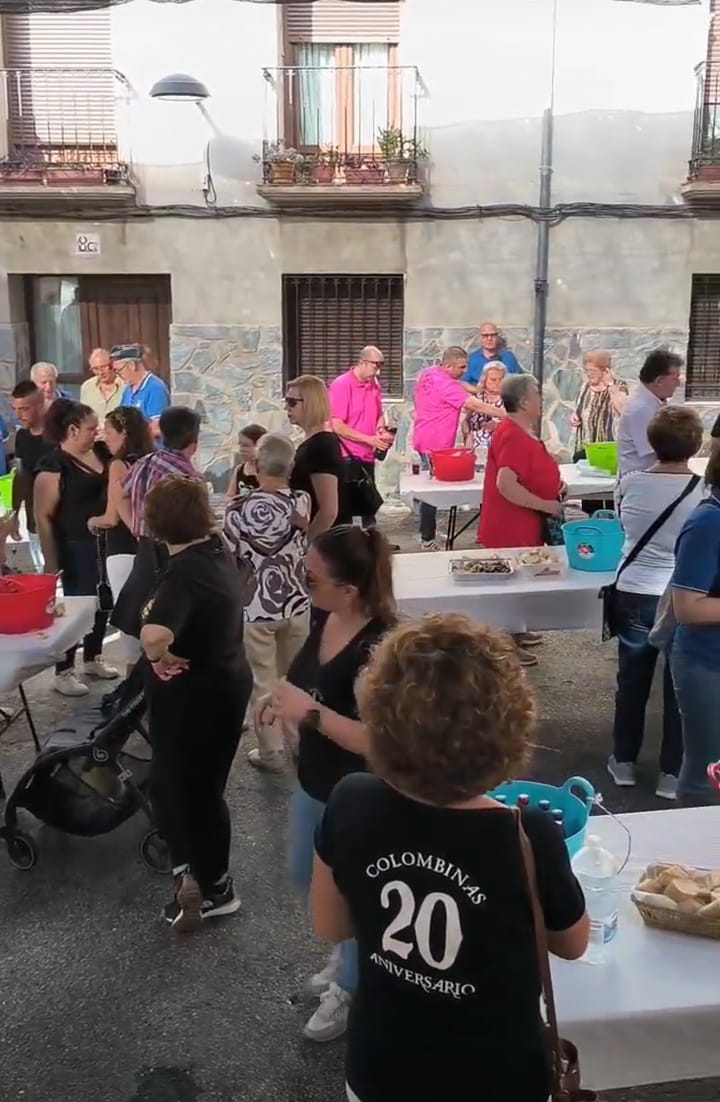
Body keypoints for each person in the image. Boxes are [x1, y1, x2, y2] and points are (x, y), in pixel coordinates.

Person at [311, 613, 588, 1102]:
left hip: (384, 1067)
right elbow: (572, 944)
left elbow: (332, 927)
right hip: (500, 1076)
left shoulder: (350, 799)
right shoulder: (527, 834)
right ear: (509, 728)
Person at [257, 525, 396, 1043]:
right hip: (317, 784)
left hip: (356, 796)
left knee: (352, 900)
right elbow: (302, 680)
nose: (301, 583)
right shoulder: (326, 615)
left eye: (310, 578)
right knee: (305, 877)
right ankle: (347, 958)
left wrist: (308, 714)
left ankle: (351, 987)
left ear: (350, 589)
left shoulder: (382, 648)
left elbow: (380, 743)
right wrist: (277, 698)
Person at [140, 476, 253, 931]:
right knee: (195, 788)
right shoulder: (215, 547)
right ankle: (192, 868)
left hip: (195, 697)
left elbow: (154, 633)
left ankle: (217, 889)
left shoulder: (182, 576)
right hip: (226, 682)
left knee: (195, 792)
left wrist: (158, 655)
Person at [608, 407, 705, 801]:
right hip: (680, 593)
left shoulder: (629, 483)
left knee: (632, 681)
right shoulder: (704, 493)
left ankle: (624, 761)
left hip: (633, 589)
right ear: (695, 445)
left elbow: (622, 525)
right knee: (678, 687)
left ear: (652, 443)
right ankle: (671, 771)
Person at [223, 432, 311, 772]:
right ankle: (300, 744)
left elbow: (231, 560)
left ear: (256, 466)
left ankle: (271, 752)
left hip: (255, 606)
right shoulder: (301, 501)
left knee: (264, 680)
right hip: (296, 601)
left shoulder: (237, 510)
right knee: (296, 677)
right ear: (291, 468)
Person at [34, 400, 118, 696]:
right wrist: (51, 558)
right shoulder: (54, 465)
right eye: (90, 428)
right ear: (71, 430)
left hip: (105, 540)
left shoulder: (102, 453)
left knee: (102, 602)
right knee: (77, 607)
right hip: (73, 543)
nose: (96, 434)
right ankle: (64, 669)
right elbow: (43, 516)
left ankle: (94, 656)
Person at [478, 374, 562, 667]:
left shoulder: (519, 430)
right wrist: (544, 503)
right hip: (510, 523)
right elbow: (506, 484)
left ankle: (516, 631)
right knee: (510, 584)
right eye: (537, 394)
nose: (541, 398)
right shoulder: (512, 434)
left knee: (519, 580)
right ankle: (505, 645)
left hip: (521, 522)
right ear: (524, 401)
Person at [110, 407, 202, 650]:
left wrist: (135, 525)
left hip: (144, 550)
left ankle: (135, 684)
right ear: (194, 441)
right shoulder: (187, 476)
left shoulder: (144, 462)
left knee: (141, 623)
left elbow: (121, 493)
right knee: (169, 628)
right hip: (172, 554)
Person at [412, 347, 507, 551]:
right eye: (461, 367)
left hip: (423, 436)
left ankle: (428, 532)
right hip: (435, 444)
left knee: (429, 488)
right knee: (431, 493)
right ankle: (426, 538)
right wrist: (508, 415)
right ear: (448, 366)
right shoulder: (447, 385)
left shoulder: (429, 374)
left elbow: (460, 385)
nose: (465, 370)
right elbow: (477, 406)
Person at [671, 441, 720, 807]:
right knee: (705, 773)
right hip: (707, 664)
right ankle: (691, 863)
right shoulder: (707, 523)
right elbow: (687, 607)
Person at [87, 407, 154, 672]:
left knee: (128, 622)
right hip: (151, 549)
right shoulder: (151, 460)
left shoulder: (119, 464)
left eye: (110, 431)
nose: (104, 436)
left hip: (124, 547)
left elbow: (112, 516)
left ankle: (132, 694)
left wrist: (91, 521)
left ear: (124, 434)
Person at [329, 346, 391, 527]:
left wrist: (381, 432)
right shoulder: (342, 385)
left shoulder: (374, 384)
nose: (378, 371)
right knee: (345, 509)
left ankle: (371, 545)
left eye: (381, 366)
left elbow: (378, 413)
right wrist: (368, 439)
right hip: (347, 456)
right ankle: (345, 546)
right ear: (362, 362)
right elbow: (337, 425)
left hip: (367, 454)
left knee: (368, 505)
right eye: (375, 366)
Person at [286, 374, 343, 538]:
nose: (287, 408)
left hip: (321, 545)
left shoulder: (321, 446)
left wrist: (305, 546)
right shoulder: (313, 443)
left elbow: (328, 511)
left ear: (311, 403)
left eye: (292, 402)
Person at [617, 350, 682, 481]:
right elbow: (657, 452)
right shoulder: (641, 408)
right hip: (640, 483)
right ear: (658, 381)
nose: (678, 384)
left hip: (651, 479)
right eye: (675, 378)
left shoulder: (654, 402)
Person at [9, 380, 53, 571]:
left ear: (40, 404)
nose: (18, 415)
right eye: (15, 409)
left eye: (24, 409)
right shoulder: (22, 437)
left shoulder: (57, 436)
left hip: (59, 520)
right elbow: (21, 475)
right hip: (33, 518)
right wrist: (14, 512)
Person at [112, 343, 170, 440]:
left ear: (132, 366)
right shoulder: (127, 389)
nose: (118, 375)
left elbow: (157, 427)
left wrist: (129, 434)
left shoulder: (155, 388)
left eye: (119, 370)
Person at [460, 360, 506, 451]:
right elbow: (466, 420)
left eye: (501, 379)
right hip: (474, 444)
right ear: (484, 380)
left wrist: (498, 424)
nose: (497, 383)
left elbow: (517, 421)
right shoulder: (477, 398)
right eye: (493, 380)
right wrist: (468, 435)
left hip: (498, 446)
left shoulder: (508, 399)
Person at [80, 347, 123, 420]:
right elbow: (84, 417)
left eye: (103, 367)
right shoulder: (87, 387)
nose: (100, 372)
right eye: (95, 369)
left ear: (112, 364)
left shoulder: (125, 385)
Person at [225, 423, 265, 498]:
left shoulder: (267, 470)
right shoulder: (239, 470)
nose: (242, 449)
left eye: (246, 445)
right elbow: (229, 495)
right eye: (240, 445)